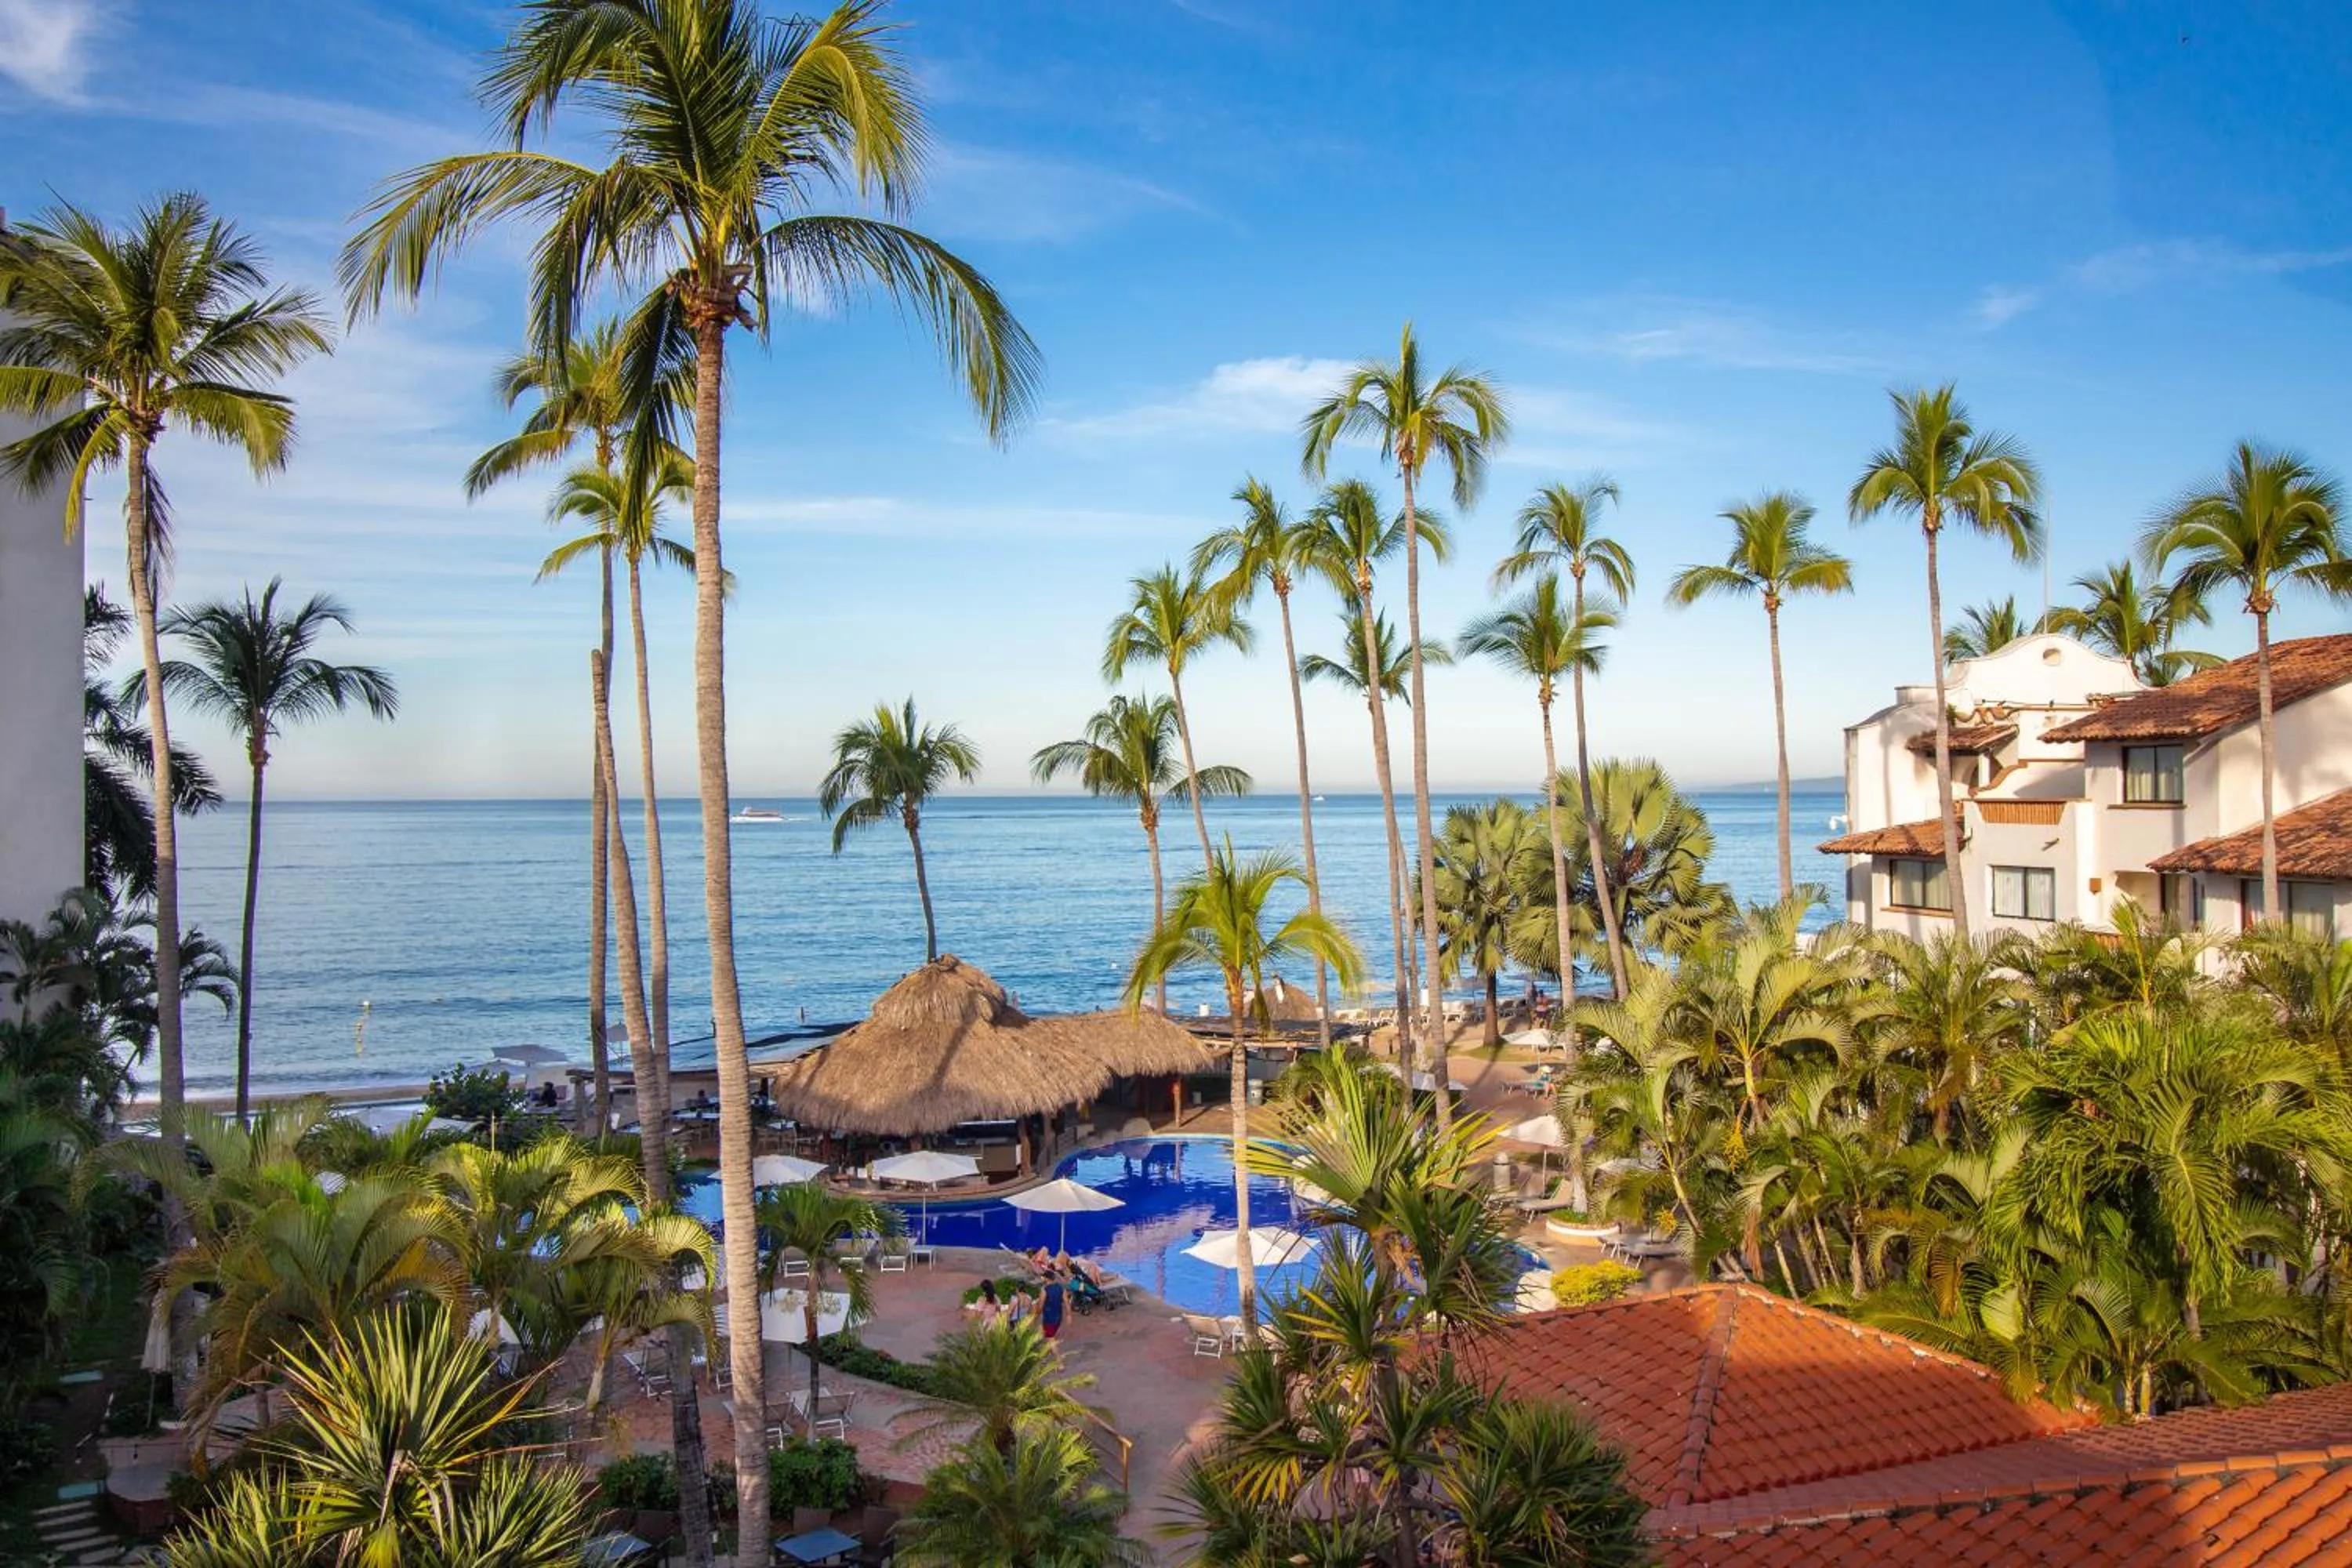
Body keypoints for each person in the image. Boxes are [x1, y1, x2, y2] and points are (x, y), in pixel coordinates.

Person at [1040, 1275, 1066, 1341]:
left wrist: (1036, 1314)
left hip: (1049, 1319)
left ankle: (1055, 1351)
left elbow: (1040, 1305)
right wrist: (1069, 1315)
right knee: (1050, 1336)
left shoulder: (1045, 1290)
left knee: (1050, 1340)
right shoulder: (1061, 1288)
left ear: (1047, 1279)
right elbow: (1066, 1302)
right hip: (1058, 1317)